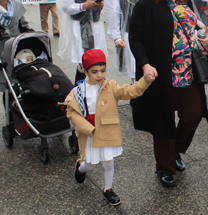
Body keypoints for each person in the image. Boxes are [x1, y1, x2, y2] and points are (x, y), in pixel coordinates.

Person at [129, 0, 208, 188]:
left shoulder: (184, 0)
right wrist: (145, 64)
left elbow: (192, 26)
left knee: (193, 114)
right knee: (163, 120)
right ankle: (165, 167)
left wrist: (200, 33)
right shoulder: (146, 5)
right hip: (161, 73)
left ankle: (175, 150)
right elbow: (134, 38)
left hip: (188, 71)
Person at [66, 49, 153, 206]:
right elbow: (72, 113)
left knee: (108, 162)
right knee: (91, 164)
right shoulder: (78, 92)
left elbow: (130, 91)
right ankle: (81, 167)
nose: (100, 75)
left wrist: (144, 81)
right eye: (94, 72)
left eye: (103, 70)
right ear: (85, 71)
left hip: (107, 130)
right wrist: (86, 128)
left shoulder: (110, 86)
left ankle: (108, 189)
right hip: (90, 132)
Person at [57, 0, 114, 83]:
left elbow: (112, 4)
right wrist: (83, 6)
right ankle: (80, 92)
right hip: (79, 25)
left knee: (97, 60)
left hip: (96, 25)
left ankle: (97, 90)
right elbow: (65, 6)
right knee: (83, 61)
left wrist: (102, 5)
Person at [105, 0, 150, 81]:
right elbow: (114, 15)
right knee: (134, 70)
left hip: (150, 34)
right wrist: (117, 37)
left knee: (150, 67)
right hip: (129, 34)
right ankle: (136, 98)